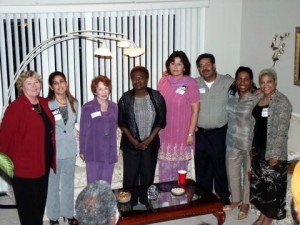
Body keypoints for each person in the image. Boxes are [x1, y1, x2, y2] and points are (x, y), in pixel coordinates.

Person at [0, 70, 56, 225]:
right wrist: (9, 168)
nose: (34, 86)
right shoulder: (16, 108)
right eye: (29, 83)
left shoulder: (44, 103)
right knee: (28, 209)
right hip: (24, 169)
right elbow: (4, 140)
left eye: (36, 82)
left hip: (43, 165)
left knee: (39, 205)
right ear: (21, 87)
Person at [118, 66, 166, 206]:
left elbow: (161, 120)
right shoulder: (126, 98)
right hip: (131, 144)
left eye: (140, 77)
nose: (137, 81)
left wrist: (149, 139)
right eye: (134, 78)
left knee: (147, 174)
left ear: (147, 79)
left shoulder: (156, 96)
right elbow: (121, 121)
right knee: (130, 176)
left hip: (150, 144)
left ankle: (146, 201)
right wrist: (133, 140)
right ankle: (130, 202)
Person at [250, 68, 292, 225]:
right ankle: (262, 214)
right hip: (258, 149)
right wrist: (250, 148)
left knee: (272, 188)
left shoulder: (282, 101)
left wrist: (274, 154)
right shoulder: (259, 98)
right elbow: (253, 123)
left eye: (269, 81)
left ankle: (268, 219)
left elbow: (282, 130)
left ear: (275, 82)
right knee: (261, 185)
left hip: (273, 152)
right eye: (262, 82)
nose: (266, 85)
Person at [194, 53, 233, 205]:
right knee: (202, 167)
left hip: (220, 133)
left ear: (214, 65)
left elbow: (246, 86)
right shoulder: (194, 84)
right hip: (201, 134)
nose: (205, 68)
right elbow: (178, 87)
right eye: (201, 66)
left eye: (207, 64)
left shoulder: (228, 82)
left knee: (220, 167)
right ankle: (205, 198)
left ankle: (223, 197)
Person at [158, 51, 200, 182]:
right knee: (164, 174)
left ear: (184, 67)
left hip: (182, 135)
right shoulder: (163, 81)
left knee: (179, 175)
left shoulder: (191, 83)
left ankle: (180, 201)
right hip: (165, 133)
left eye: (179, 64)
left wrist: (190, 134)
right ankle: (165, 202)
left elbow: (196, 110)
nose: (175, 67)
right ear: (168, 65)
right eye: (173, 63)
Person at [224, 66, 258, 220]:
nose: (242, 82)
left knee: (247, 175)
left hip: (248, 143)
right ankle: (236, 199)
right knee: (232, 173)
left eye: (246, 79)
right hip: (231, 140)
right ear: (235, 81)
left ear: (251, 81)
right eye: (239, 79)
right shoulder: (232, 96)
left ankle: (245, 203)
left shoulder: (257, 98)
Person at [46, 72, 79, 225]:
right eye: (55, 83)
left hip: (70, 150)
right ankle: (53, 217)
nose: (59, 85)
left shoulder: (74, 102)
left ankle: (68, 213)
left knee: (68, 184)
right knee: (52, 185)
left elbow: (70, 126)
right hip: (54, 151)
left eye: (62, 81)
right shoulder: (46, 105)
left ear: (66, 83)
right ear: (51, 87)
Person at [80, 75, 118, 185]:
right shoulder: (88, 107)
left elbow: (114, 129)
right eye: (100, 89)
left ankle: (105, 203)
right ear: (95, 91)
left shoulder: (114, 107)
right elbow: (83, 130)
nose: (104, 92)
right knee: (93, 187)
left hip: (109, 152)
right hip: (93, 151)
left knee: (106, 186)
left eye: (106, 88)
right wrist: (82, 150)